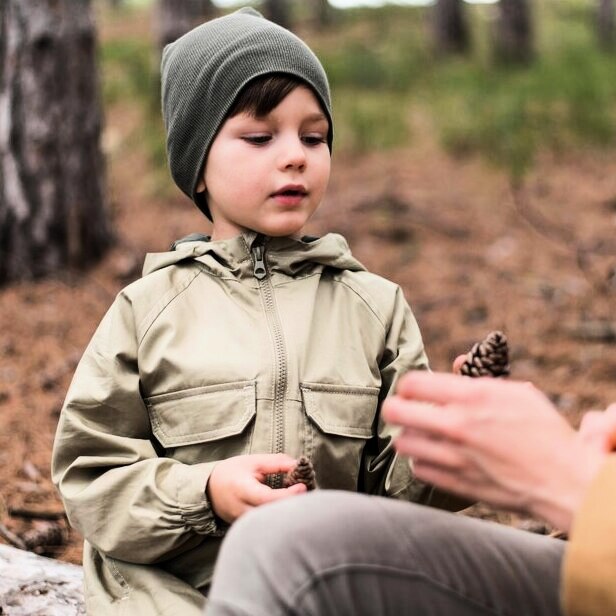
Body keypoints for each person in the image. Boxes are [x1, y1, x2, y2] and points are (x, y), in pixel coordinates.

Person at [51, 9, 468, 615]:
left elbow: (397, 499)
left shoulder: (373, 307)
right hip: (174, 597)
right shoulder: (147, 309)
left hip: (327, 592)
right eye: (259, 136)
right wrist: (206, 492)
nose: (295, 156)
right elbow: (92, 475)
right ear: (198, 165)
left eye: (314, 136)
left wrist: (450, 436)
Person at [205, 371, 616, 616]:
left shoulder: (374, 302)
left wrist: (578, 485)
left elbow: (400, 483)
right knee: (287, 544)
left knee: (284, 552)